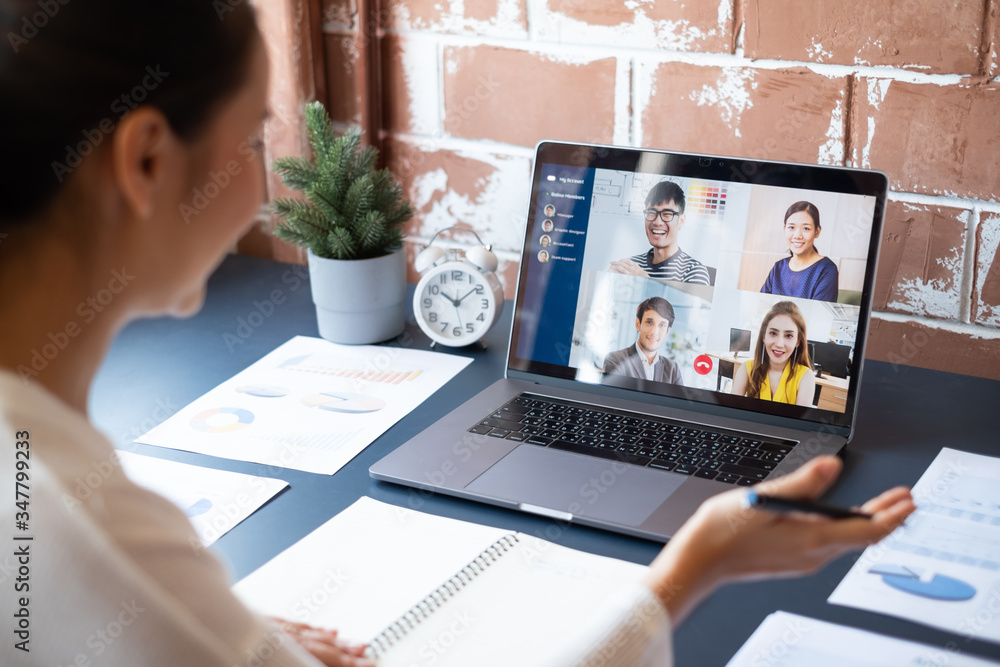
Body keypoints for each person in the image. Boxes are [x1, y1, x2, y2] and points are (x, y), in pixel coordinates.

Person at [0, 4, 915, 666]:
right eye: (251, 145)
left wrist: (223, 630)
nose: (265, 190)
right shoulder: (83, 528)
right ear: (148, 161)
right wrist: (686, 573)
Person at [609, 180, 714, 285]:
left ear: (681, 221)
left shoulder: (694, 271)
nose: (657, 222)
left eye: (667, 214)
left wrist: (644, 280)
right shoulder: (631, 265)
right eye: (651, 212)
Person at [731, 301, 817, 406]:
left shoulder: (806, 377)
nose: (779, 344)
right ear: (764, 336)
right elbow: (731, 412)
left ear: (798, 341)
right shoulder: (746, 368)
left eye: (789, 335)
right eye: (773, 333)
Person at [761, 201, 839, 301]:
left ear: (817, 231)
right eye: (791, 227)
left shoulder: (826, 269)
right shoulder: (779, 267)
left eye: (806, 228)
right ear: (784, 229)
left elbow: (819, 314)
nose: (797, 235)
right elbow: (762, 306)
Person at [604, 297, 684, 385]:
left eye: (662, 325)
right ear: (638, 324)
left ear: (667, 332)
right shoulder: (616, 360)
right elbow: (615, 397)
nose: (654, 332)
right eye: (649, 322)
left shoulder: (672, 370)